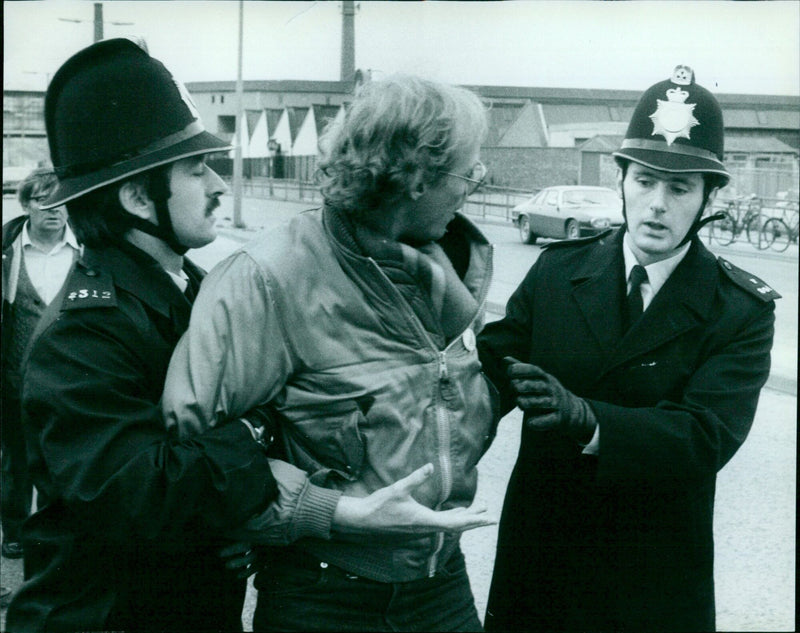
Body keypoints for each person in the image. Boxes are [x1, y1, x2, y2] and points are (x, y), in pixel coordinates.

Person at [162, 74, 498, 632]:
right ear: (415, 176)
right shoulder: (269, 276)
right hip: (324, 593)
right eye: (467, 172)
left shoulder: (446, 269)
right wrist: (326, 512)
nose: (473, 187)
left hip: (441, 585)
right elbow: (194, 450)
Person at [478, 65, 780, 633]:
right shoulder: (557, 272)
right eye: (644, 180)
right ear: (621, 181)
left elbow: (704, 437)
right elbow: (487, 377)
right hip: (542, 561)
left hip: (652, 575)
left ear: (710, 196)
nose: (657, 204)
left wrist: (591, 420)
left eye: (680, 187)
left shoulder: (739, 309)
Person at [6, 38, 280, 633]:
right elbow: (144, 499)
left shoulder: (194, 288)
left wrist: (240, 520)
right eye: (194, 167)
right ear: (136, 196)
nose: (216, 185)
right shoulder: (83, 335)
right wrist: (253, 444)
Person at [2, 168, 79, 562]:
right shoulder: (8, 252)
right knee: (16, 459)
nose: (55, 209)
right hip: (15, 376)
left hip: (69, 377)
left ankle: (54, 529)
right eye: (43, 200)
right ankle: (15, 531)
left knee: (62, 454)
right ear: (28, 205)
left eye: (62, 199)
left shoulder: (86, 251)